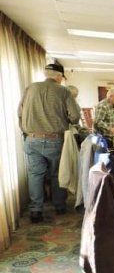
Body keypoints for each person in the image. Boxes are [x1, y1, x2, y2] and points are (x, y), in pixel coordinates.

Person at [18, 63, 80, 222]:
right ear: (59, 76)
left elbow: (20, 112)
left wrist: (27, 131)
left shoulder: (30, 88)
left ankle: (36, 210)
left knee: (35, 175)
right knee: (57, 173)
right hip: (54, 139)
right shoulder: (63, 91)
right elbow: (75, 116)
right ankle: (59, 206)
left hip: (31, 138)